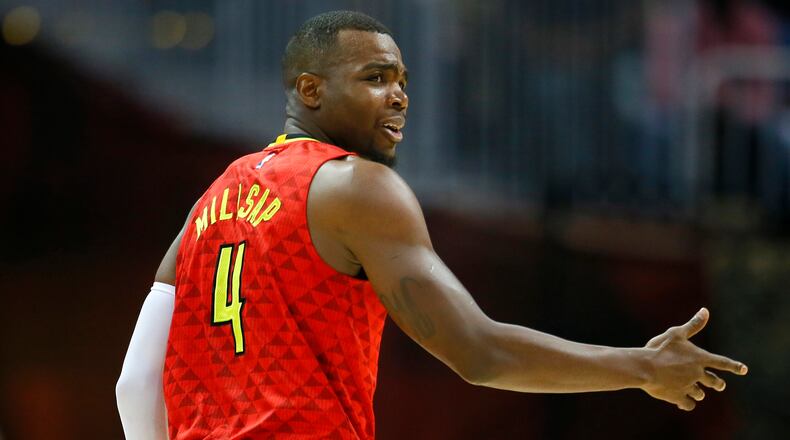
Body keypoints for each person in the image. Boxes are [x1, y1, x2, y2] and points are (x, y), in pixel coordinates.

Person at [116, 10, 748, 440]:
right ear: (310, 90)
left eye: (401, 80)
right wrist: (641, 367)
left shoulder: (212, 199)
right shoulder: (356, 186)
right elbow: (478, 352)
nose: (399, 96)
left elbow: (134, 382)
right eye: (374, 79)